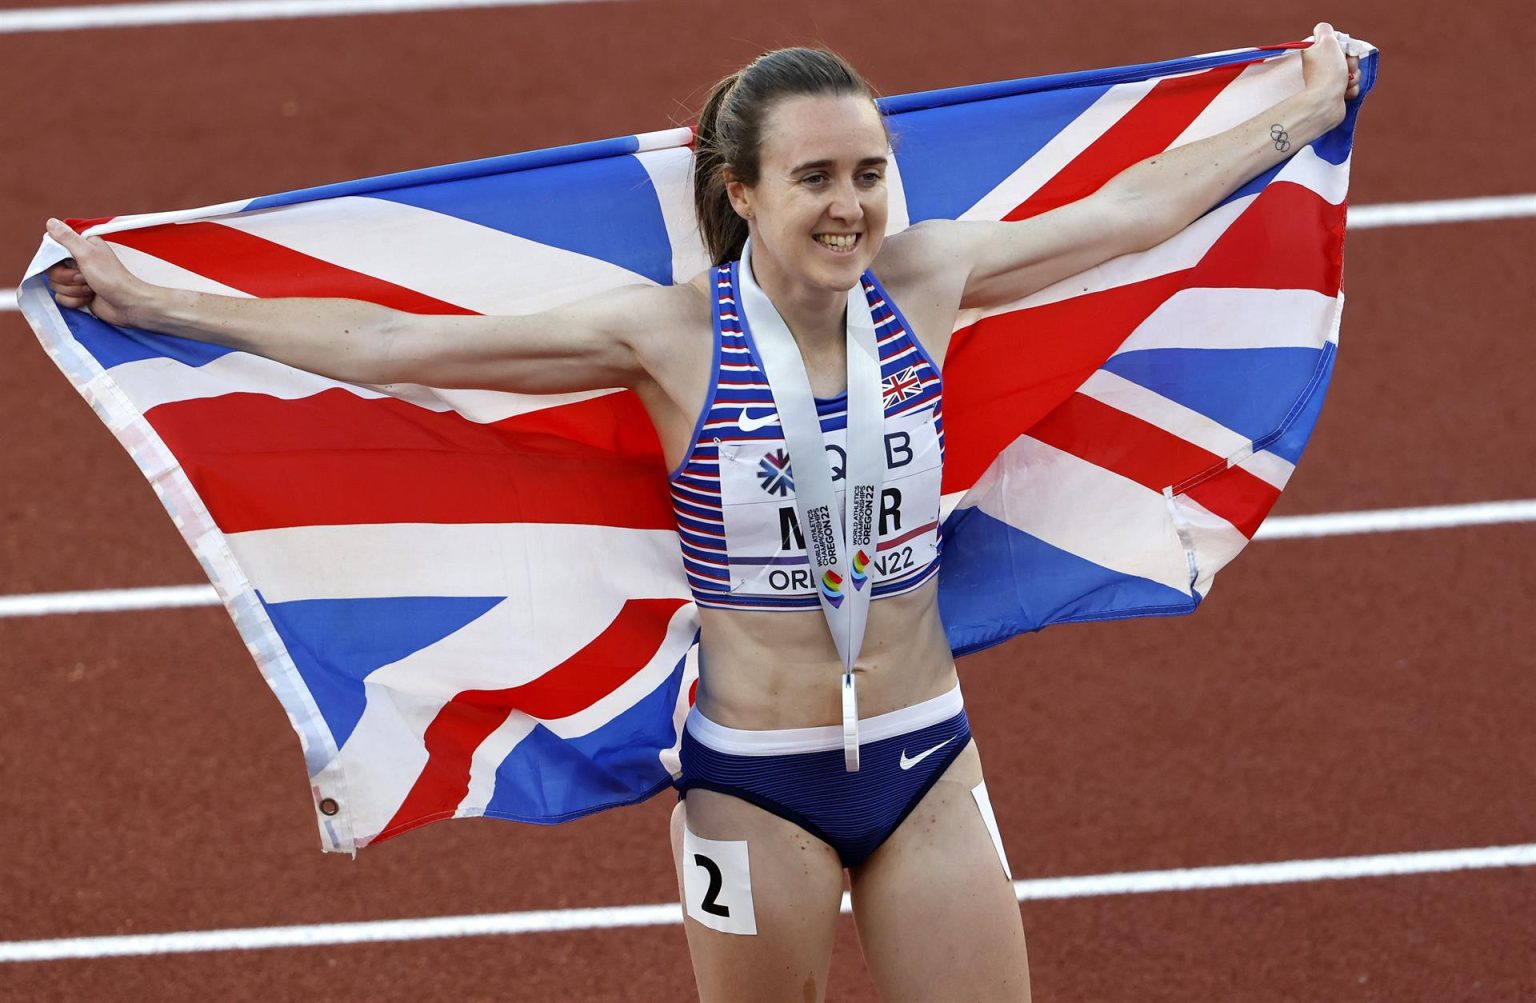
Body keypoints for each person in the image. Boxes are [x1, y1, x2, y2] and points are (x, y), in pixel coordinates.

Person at [44, 25, 1363, 1002]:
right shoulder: (671, 339)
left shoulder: (934, 275)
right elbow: (389, 345)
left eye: (869, 172)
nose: (852, 206)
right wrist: (170, 305)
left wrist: (1301, 109)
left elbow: (1136, 209)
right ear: (743, 192)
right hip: (753, 792)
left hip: (929, 759)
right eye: (817, 179)